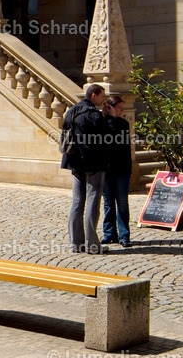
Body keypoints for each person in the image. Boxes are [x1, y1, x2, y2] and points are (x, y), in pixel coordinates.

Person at [60, 83, 111, 254]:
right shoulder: (93, 115)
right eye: (102, 96)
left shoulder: (72, 111)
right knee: (92, 202)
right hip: (93, 163)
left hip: (75, 162)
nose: (104, 100)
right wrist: (108, 117)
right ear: (93, 95)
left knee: (77, 202)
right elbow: (107, 137)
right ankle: (92, 245)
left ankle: (76, 243)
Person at [101, 94, 133, 247]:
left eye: (122, 108)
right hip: (106, 169)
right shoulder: (102, 123)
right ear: (111, 108)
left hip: (122, 169)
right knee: (108, 203)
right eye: (119, 108)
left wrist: (113, 118)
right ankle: (109, 233)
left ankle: (124, 235)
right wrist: (110, 117)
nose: (121, 111)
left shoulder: (123, 124)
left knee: (121, 203)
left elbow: (117, 140)